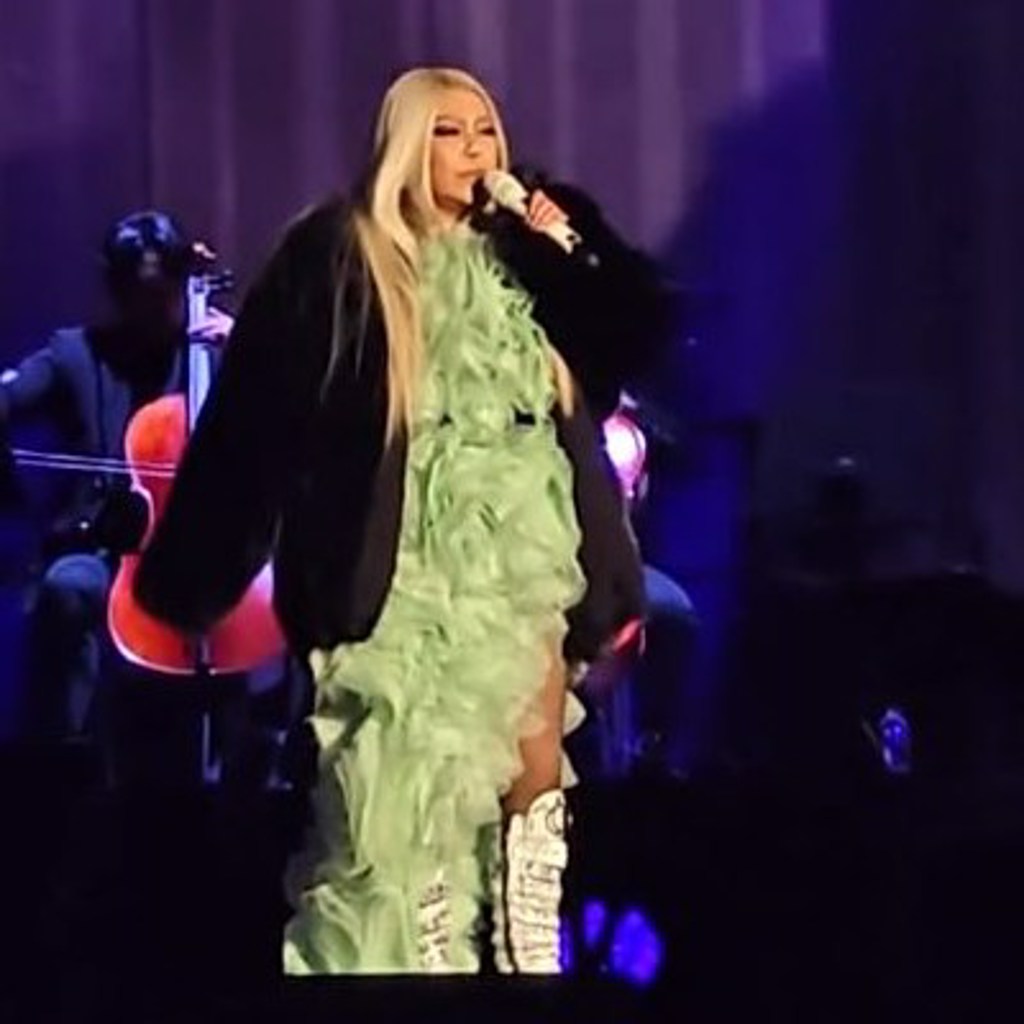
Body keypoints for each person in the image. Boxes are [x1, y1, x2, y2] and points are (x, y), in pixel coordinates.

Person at [134, 67, 677, 974]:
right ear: (405, 145)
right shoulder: (339, 255)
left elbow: (637, 335)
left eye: (485, 131)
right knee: (410, 778)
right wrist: (196, 567)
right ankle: (420, 968)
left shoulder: (524, 252)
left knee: (534, 761)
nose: (475, 151)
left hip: (522, 545)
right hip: (397, 560)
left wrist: (573, 252)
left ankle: (529, 963)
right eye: (449, 133)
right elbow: (254, 415)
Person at [0, 211, 230, 744]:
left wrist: (244, 344)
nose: (151, 310)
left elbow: (290, 413)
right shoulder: (75, 354)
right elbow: (10, 398)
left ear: (179, 286)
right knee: (67, 589)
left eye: (162, 295)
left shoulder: (211, 354)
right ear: (116, 292)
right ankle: (58, 754)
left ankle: (232, 762)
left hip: (198, 557)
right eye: (135, 296)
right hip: (99, 549)